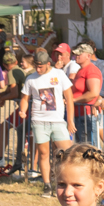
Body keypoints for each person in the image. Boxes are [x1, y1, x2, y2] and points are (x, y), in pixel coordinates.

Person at [25, 48, 74, 185]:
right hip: (39, 121)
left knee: (67, 153)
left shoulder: (59, 74)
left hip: (58, 121)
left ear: (48, 64)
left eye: (40, 67)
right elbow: (24, 98)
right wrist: (23, 110)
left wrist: (69, 120)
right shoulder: (31, 78)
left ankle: (65, 181)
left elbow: (69, 98)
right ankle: (47, 185)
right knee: (43, 153)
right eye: (36, 66)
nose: (38, 69)